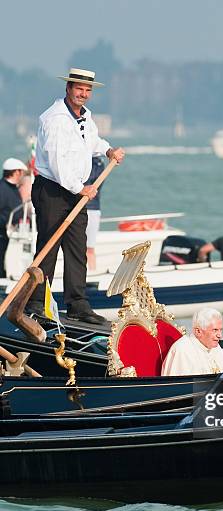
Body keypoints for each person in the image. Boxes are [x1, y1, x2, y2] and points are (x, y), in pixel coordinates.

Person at [27, 68, 125, 324]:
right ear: (68, 88)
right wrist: (79, 188)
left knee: (77, 248)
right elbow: (57, 161)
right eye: (79, 88)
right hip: (52, 190)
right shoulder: (56, 119)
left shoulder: (85, 116)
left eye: (88, 89)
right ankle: (36, 301)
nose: (83, 93)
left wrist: (108, 150)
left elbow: (92, 141)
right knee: (48, 246)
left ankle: (77, 304)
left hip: (74, 192)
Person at [161, 307, 223, 376]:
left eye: (221, 330)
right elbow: (179, 385)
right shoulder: (182, 350)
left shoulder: (214, 346)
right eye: (215, 330)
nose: (220, 335)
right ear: (198, 331)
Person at [0, 158, 28, 277]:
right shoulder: (2, 188)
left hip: (13, 233)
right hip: (3, 233)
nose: (23, 176)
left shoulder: (12, 188)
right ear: (16, 172)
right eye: (22, 172)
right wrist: (6, 224)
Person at [85, 154, 106, 270]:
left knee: (89, 248)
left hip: (91, 209)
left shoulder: (97, 164)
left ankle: (92, 272)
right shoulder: (99, 164)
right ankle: (89, 272)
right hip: (89, 208)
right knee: (87, 248)